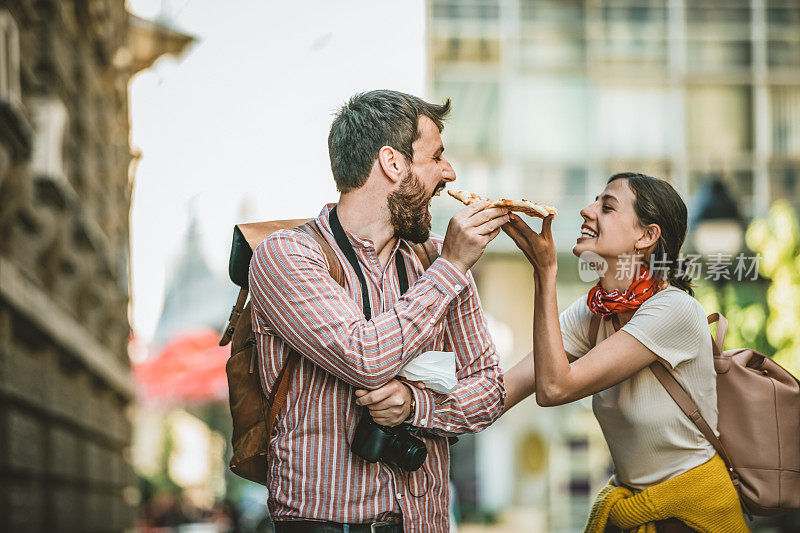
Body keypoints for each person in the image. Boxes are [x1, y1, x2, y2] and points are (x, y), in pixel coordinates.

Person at [248, 90, 509, 533]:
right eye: (436, 156)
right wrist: (452, 268)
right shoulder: (287, 256)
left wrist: (415, 405)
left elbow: (490, 392)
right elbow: (364, 357)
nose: (449, 173)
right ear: (392, 163)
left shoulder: (436, 260)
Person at [502, 173, 749, 532]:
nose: (586, 211)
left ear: (646, 236)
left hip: (694, 517)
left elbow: (555, 389)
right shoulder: (592, 313)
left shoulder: (674, 310)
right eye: (593, 202)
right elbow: (503, 390)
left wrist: (545, 273)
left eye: (607, 207)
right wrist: (413, 403)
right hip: (639, 511)